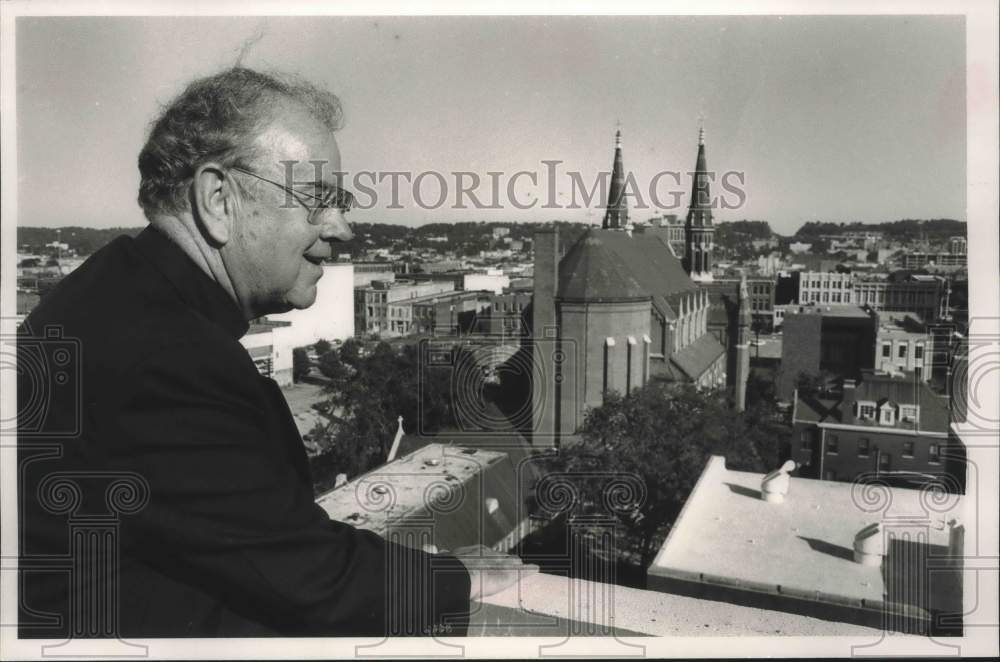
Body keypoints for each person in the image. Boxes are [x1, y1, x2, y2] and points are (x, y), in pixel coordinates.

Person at [17, 67, 532, 638]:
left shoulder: (113, 291)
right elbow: (305, 576)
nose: (343, 229)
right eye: (318, 200)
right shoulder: (169, 353)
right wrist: (452, 577)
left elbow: (244, 535)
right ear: (219, 199)